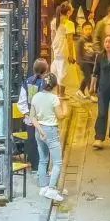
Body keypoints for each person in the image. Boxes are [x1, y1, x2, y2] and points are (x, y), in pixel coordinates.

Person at [28, 72, 66, 201]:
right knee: (57, 162)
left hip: (39, 131)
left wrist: (40, 130)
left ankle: (43, 187)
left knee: (43, 159)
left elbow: (32, 117)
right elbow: (60, 116)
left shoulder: (35, 97)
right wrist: (64, 106)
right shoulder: (54, 98)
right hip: (51, 130)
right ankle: (51, 189)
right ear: (54, 85)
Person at [16, 58, 49, 172]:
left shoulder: (27, 82)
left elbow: (22, 101)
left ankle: (35, 166)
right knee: (44, 142)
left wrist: (27, 114)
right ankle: (43, 168)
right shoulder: (46, 83)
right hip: (43, 118)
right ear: (45, 69)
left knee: (32, 142)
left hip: (30, 118)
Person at [50, 2, 75, 97]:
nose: (73, 9)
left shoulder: (54, 21)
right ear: (68, 12)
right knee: (64, 68)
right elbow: (69, 40)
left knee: (57, 67)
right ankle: (62, 93)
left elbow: (52, 36)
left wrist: (53, 46)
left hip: (56, 44)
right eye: (72, 8)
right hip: (64, 46)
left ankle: (58, 92)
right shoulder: (69, 23)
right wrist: (71, 54)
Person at [74, 21, 97, 99]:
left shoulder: (92, 39)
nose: (88, 31)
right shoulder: (81, 40)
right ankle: (92, 94)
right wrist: (79, 62)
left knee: (88, 76)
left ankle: (80, 90)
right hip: (84, 62)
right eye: (86, 29)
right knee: (88, 78)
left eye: (90, 29)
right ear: (82, 30)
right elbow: (78, 52)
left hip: (91, 62)